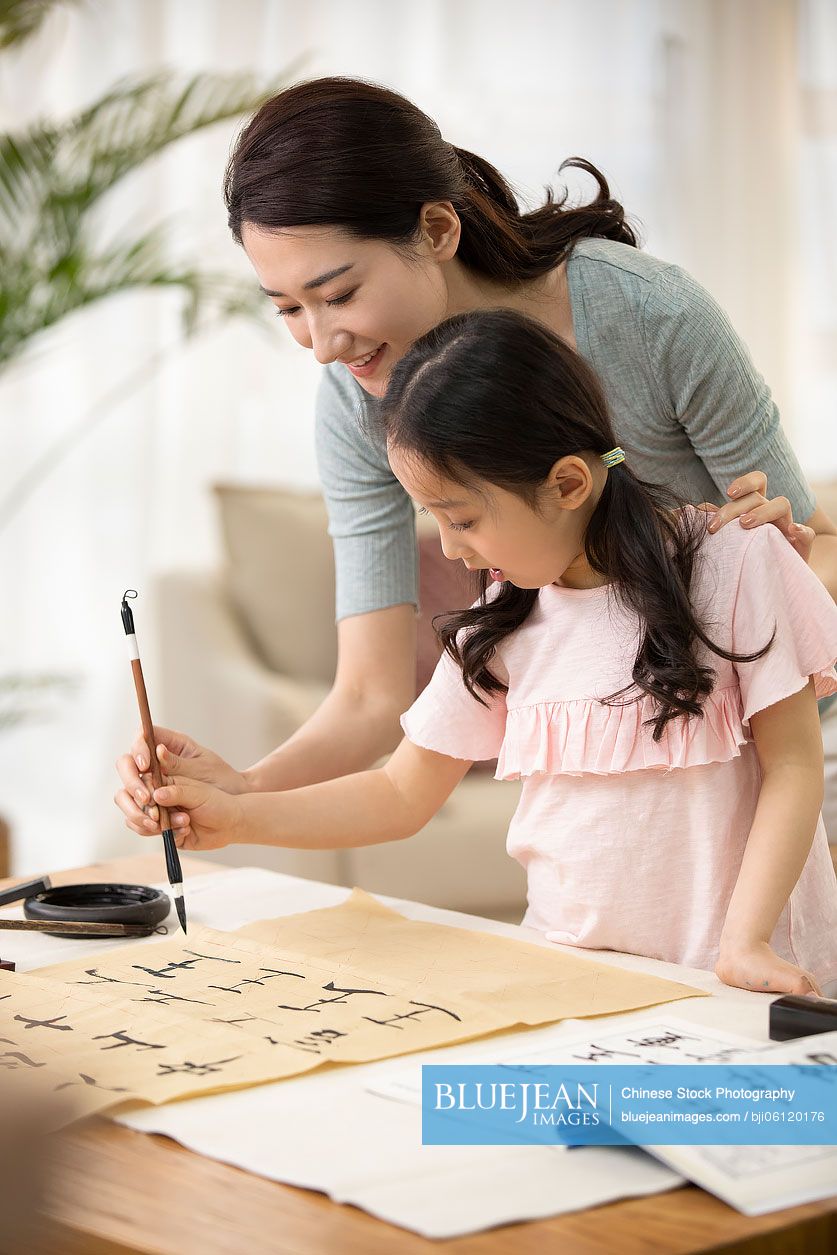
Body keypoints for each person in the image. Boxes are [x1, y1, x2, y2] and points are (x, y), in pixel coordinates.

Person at [114, 76, 837, 839]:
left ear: (435, 229)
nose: (323, 345)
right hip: (605, 792)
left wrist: (773, 559)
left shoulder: (645, 313)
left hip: (765, 755)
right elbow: (368, 695)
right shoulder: (356, 402)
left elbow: (818, 555)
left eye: (340, 292)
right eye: (289, 308)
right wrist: (238, 790)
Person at [137, 311, 837, 995]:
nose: (447, 547)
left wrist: (744, 942)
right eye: (432, 517)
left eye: (461, 516)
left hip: (746, 978)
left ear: (568, 483)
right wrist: (236, 816)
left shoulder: (736, 558)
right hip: (576, 982)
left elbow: (794, 765)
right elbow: (399, 792)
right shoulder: (496, 628)